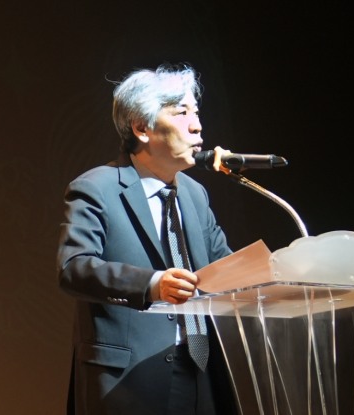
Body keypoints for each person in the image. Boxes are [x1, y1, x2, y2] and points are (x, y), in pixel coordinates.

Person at [56, 62, 237, 415]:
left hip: (201, 372)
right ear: (141, 127)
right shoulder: (96, 188)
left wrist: (285, 272)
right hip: (128, 382)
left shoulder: (195, 194)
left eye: (196, 112)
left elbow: (228, 268)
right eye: (181, 112)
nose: (197, 125)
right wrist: (153, 285)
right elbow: (73, 268)